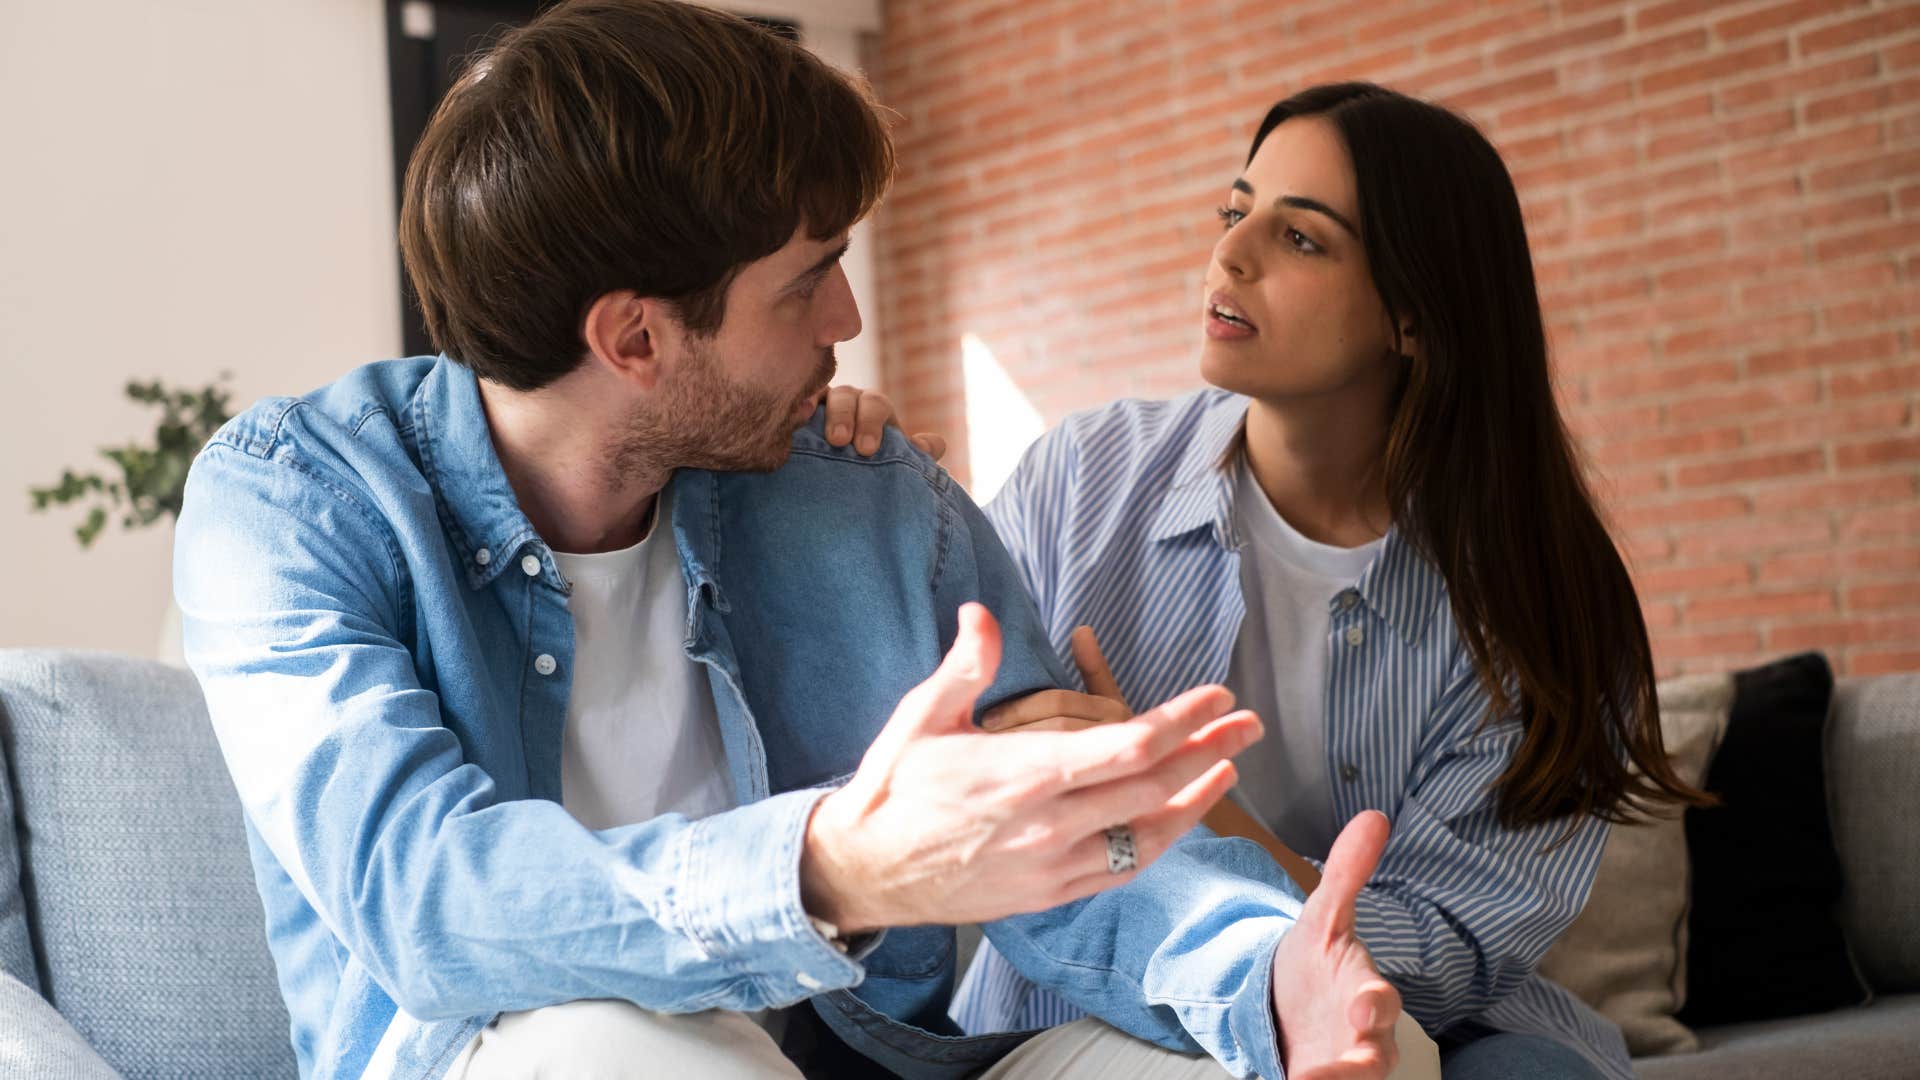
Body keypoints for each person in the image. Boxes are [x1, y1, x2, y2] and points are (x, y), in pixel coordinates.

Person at [172, 8, 1412, 1079]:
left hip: (863, 1057)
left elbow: (1064, 836)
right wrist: (841, 866)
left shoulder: (856, 487)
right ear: (636, 342)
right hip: (517, 1054)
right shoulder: (296, 502)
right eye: (808, 279)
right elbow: (426, 900)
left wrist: (1263, 972)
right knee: (629, 1048)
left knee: (1344, 1044)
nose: (851, 317)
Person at [926, 82, 1710, 1080]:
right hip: (1083, 1005)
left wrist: (1187, 802)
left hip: (1427, 1021)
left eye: (1301, 239)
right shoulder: (1083, 479)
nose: (1231, 253)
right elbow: (938, 765)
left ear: (1415, 316)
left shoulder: (1539, 603)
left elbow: (1442, 962)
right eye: (1235, 210)